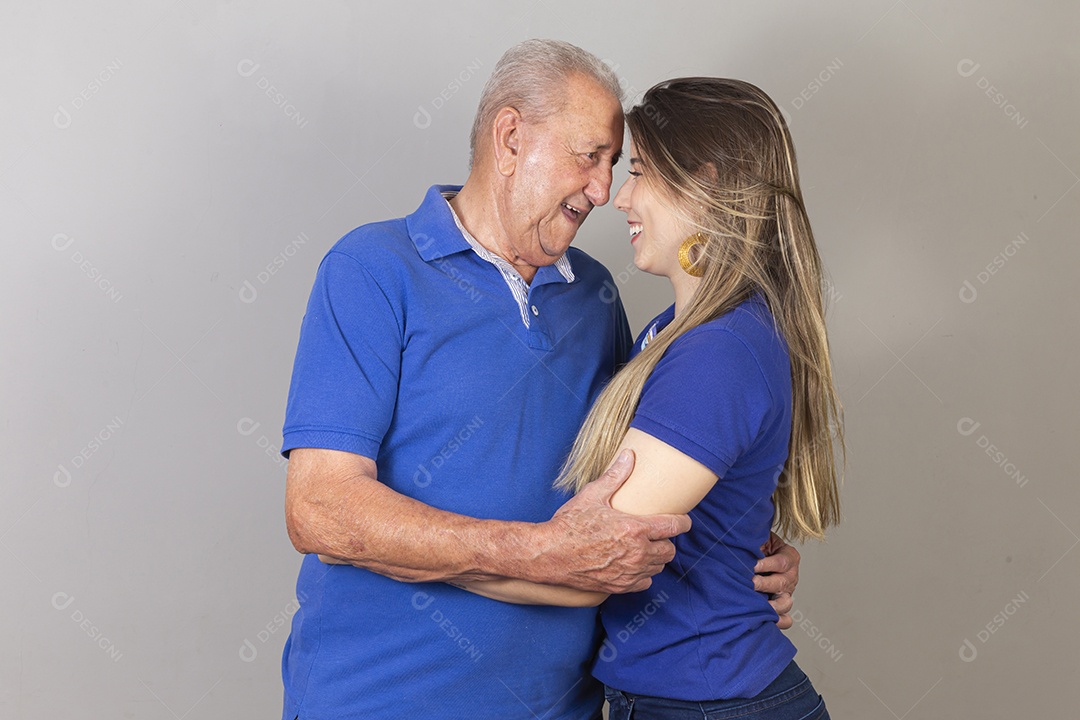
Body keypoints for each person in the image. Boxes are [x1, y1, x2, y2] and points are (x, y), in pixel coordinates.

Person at [281, 41, 801, 719]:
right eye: (590, 156)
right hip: (378, 702)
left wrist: (740, 558)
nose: (604, 190)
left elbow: (645, 480)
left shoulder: (597, 297)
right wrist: (538, 552)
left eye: (618, 164)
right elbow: (319, 509)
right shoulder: (372, 270)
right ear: (511, 136)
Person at [458, 77, 843, 719]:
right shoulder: (669, 334)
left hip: (713, 704)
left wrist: (397, 560)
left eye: (638, 172)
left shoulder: (719, 354)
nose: (620, 197)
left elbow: (587, 567)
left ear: (707, 185)